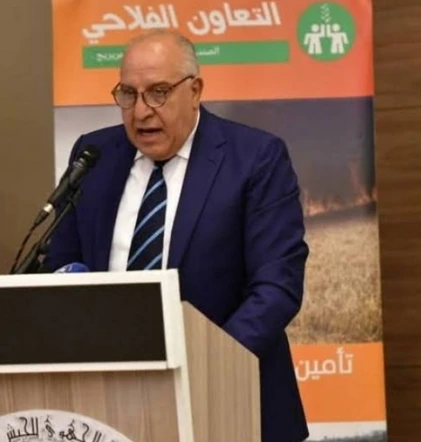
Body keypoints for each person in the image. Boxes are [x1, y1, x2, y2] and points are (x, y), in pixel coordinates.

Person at [44, 30, 309, 442]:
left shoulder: (255, 158)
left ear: (195, 91)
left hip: (229, 399)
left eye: (159, 92)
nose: (141, 111)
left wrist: (205, 366)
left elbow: (277, 287)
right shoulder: (94, 155)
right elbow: (59, 265)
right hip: (109, 404)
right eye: (128, 94)